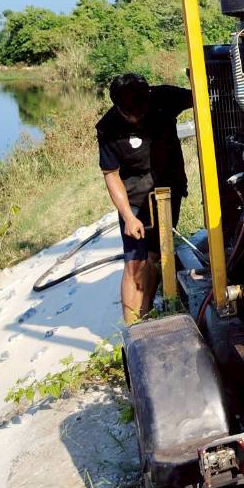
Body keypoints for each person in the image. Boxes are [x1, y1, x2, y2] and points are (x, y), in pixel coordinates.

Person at [96, 73, 193, 324]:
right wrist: (128, 217)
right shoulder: (108, 127)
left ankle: (148, 312)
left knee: (155, 255)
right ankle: (132, 328)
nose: (137, 117)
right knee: (134, 263)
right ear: (118, 108)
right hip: (135, 199)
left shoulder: (165, 98)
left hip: (169, 191)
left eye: (141, 110)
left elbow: (202, 98)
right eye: (130, 114)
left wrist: (197, 78)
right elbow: (111, 174)